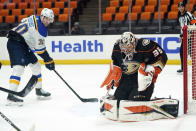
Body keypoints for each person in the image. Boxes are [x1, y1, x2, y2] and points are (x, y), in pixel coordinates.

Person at [6, 8, 55, 105]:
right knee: (19, 68)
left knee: (36, 66)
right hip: (15, 43)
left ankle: (39, 89)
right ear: (43, 17)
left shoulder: (34, 17)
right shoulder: (41, 30)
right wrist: (48, 60)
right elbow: (40, 50)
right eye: (47, 19)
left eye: (50, 19)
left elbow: (23, 21)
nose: (48, 21)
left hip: (23, 43)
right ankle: (11, 95)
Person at [101, 32, 168, 101]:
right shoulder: (117, 47)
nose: (126, 50)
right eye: (123, 48)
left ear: (134, 43)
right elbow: (116, 62)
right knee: (118, 100)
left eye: (128, 46)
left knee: (135, 101)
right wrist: (115, 74)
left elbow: (162, 57)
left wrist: (151, 69)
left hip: (142, 81)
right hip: (125, 81)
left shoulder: (146, 45)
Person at [177, 2, 195, 73]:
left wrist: (190, 32)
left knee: (192, 53)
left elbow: (194, 22)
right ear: (178, 8)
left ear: (184, 7)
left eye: (182, 6)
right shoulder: (179, 16)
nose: (181, 8)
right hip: (184, 37)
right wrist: (180, 36)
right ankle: (183, 68)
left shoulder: (188, 14)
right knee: (182, 52)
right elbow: (181, 27)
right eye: (179, 7)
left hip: (191, 37)